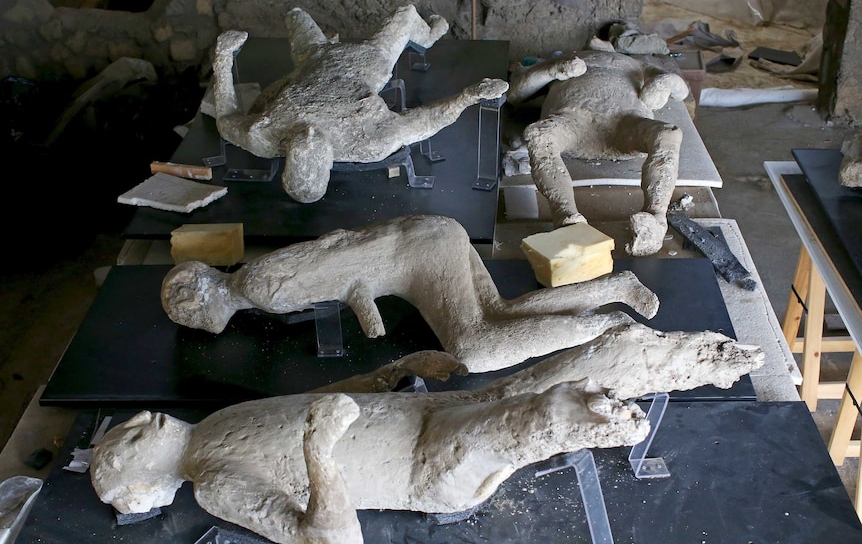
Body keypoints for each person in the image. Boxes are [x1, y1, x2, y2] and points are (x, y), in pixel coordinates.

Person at [91, 322, 764, 544]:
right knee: (558, 406)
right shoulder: (212, 485)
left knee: (590, 358)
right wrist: (321, 455)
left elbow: (321, 402)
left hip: (423, 415)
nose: (133, 423)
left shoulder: (211, 427)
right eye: (122, 444)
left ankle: (702, 360)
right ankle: (614, 421)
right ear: (142, 487)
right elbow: (333, 540)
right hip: (421, 463)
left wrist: (389, 374)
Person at [160, 215, 661, 373]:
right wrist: (360, 290)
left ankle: (605, 327)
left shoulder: (258, 286)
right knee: (497, 313)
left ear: (199, 304)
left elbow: (334, 256)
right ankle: (615, 288)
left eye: (189, 316)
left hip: (414, 258)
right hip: (428, 236)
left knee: (473, 348)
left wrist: (362, 294)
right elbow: (336, 251)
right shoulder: (253, 283)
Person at [211, 5, 509, 203]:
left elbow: (225, 118)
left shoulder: (263, 136)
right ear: (329, 161)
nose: (308, 133)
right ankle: (428, 36)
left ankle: (423, 35)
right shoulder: (369, 142)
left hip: (314, 58)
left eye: (296, 142)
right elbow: (427, 122)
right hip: (367, 62)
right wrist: (469, 97)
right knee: (405, 14)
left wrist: (222, 58)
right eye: (316, 143)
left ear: (287, 157)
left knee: (295, 13)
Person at [507, 40, 691, 256]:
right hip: (572, 120)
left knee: (668, 134)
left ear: (615, 49)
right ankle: (566, 217)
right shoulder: (569, 57)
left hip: (625, 123)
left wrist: (664, 82)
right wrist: (553, 69)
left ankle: (656, 217)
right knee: (540, 135)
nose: (597, 40)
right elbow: (516, 94)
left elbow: (681, 91)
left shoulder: (633, 63)